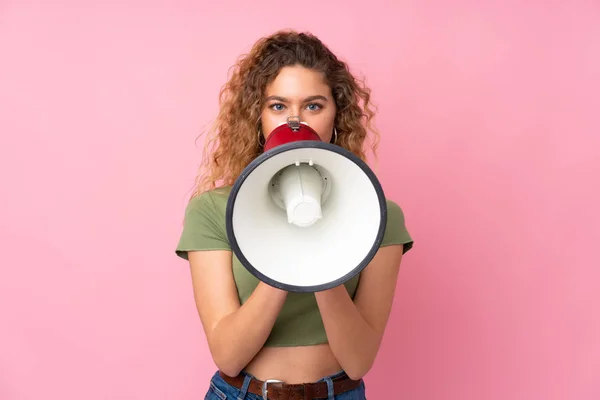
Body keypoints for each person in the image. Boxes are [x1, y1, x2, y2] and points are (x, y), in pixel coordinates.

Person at [175, 30, 414, 400]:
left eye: (314, 106)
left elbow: (358, 360)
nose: (295, 122)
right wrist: (284, 251)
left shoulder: (377, 217)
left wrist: (321, 249)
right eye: (278, 106)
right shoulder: (212, 211)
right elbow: (228, 355)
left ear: (337, 115)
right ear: (257, 116)